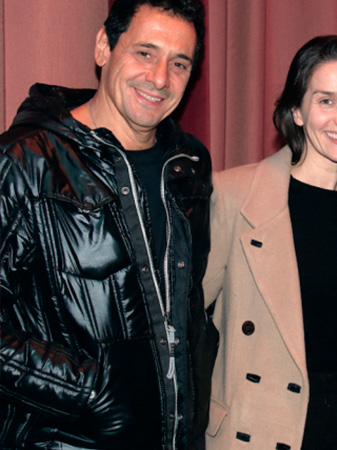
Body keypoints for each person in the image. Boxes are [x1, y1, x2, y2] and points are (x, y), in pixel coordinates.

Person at [0, 1, 217, 449]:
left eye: (179, 63)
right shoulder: (24, 162)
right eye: (145, 53)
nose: (160, 78)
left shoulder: (189, 164)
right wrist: (90, 390)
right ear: (104, 46)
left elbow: (186, 306)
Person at [202, 35, 337, 450]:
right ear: (297, 111)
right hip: (259, 424)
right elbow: (182, 324)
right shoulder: (236, 195)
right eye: (326, 100)